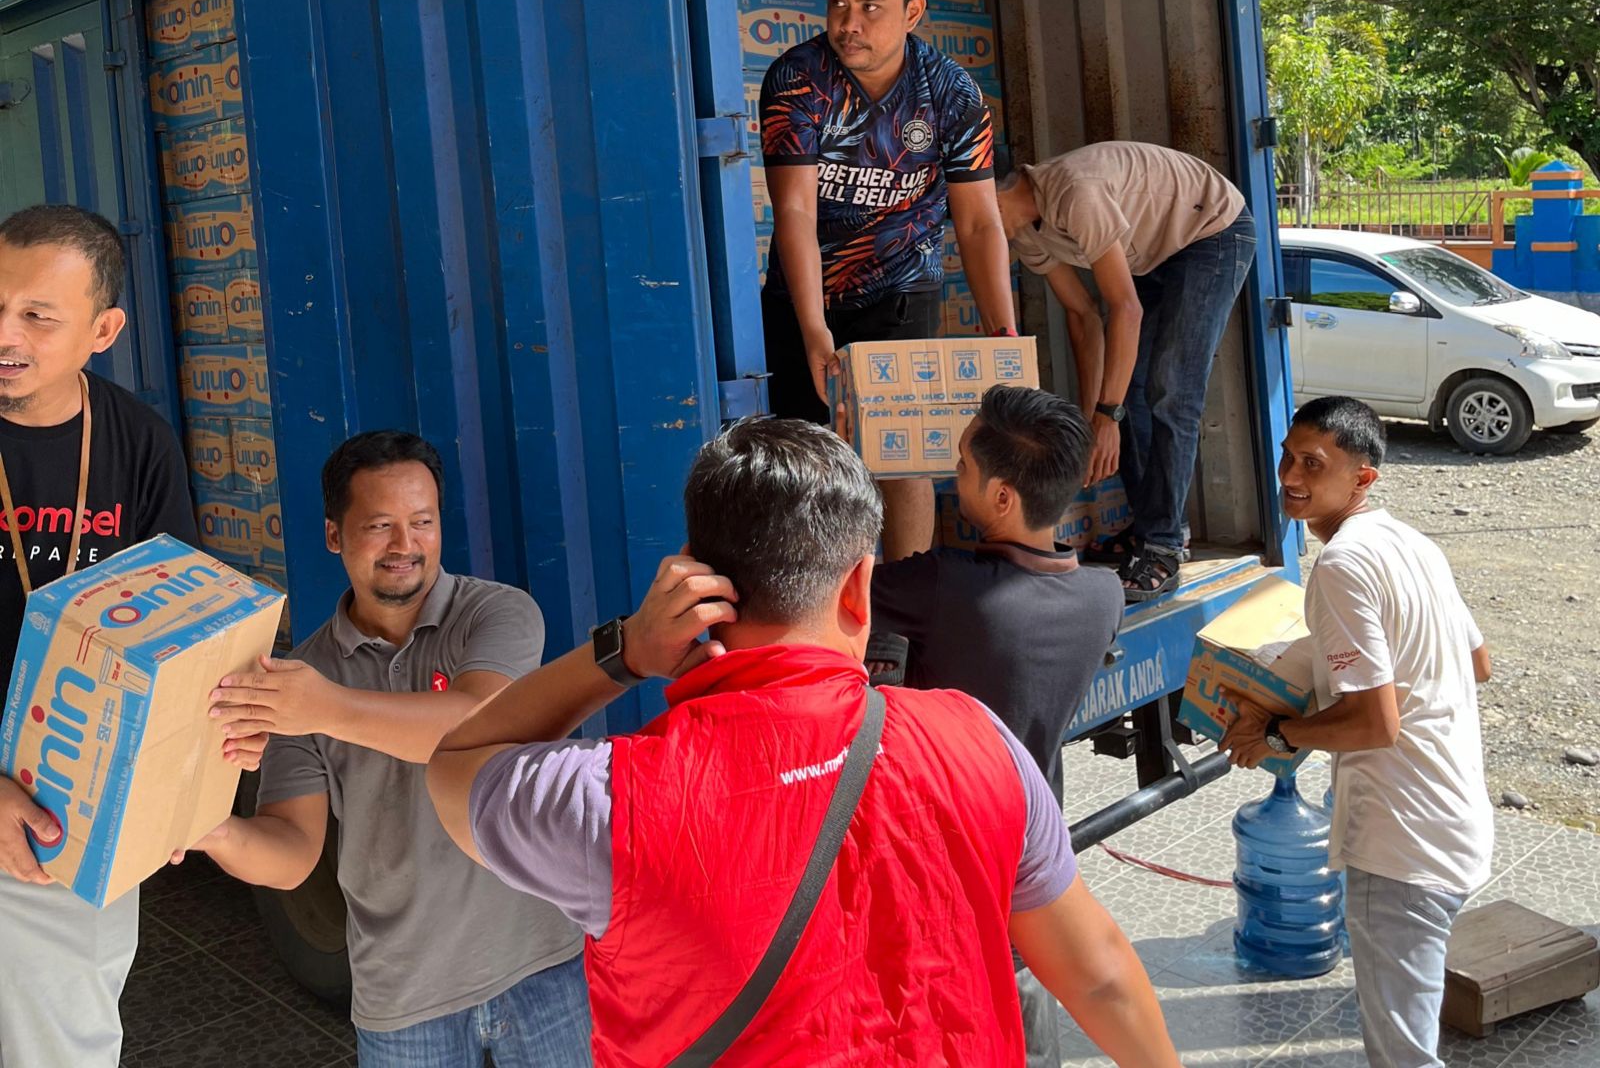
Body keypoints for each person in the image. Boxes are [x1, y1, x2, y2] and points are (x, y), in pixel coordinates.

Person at [427, 417, 1179, 1068]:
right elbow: (1101, 977)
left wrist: (624, 650)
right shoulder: (978, 744)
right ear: (860, 587)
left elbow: (453, 767)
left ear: (696, 585)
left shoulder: (611, 802)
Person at [177, 431, 589, 1067]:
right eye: (380, 526)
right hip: (403, 997)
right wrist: (209, 829)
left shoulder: (496, 614)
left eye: (422, 522)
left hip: (541, 965)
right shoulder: (304, 675)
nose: (405, 546)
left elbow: (475, 722)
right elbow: (291, 855)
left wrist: (325, 708)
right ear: (335, 535)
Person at [0, 204, 252, 1067]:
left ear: (103, 329)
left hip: (65, 803)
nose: (6, 334)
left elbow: (178, 630)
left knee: (61, 1040)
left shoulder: (137, 441)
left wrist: (179, 781)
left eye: (37, 315)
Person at [1220, 396, 1493, 1068]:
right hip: (1454, 819)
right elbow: (1477, 663)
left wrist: (1281, 732)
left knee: (1403, 1056)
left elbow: (1376, 722)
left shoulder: (1342, 566)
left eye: (1313, 464)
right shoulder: (1413, 543)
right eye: (1288, 457)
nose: (1290, 476)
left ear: (1363, 477)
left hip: (1401, 842)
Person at [872, 384, 1123, 1066]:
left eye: (961, 469)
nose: (955, 479)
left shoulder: (940, 588)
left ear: (1004, 497)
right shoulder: (1105, 596)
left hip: (939, 870)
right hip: (1031, 858)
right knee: (1025, 1024)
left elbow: (837, 590)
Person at [761, 0, 1016, 562]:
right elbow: (793, 212)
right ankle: (816, 620)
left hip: (901, 293)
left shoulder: (954, 95)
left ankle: (902, 619)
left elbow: (980, 221)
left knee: (902, 459)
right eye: (839, 3)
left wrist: (1002, 330)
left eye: (871, 7)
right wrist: (814, 329)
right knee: (805, 466)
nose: (849, 23)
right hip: (805, 294)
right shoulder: (797, 80)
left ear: (914, 11)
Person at [994, 141, 1256, 601]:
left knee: (1171, 389)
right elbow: (1083, 316)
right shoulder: (1025, 232)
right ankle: (1153, 525)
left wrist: (1107, 415)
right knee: (1129, 391)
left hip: (1211, 231)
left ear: (989, 193)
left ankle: (1164, 546)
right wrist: (1092, 417)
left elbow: (1125, 310)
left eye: (961, 212)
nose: (961, 228)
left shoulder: (1077, 194)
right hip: (1154, 252)